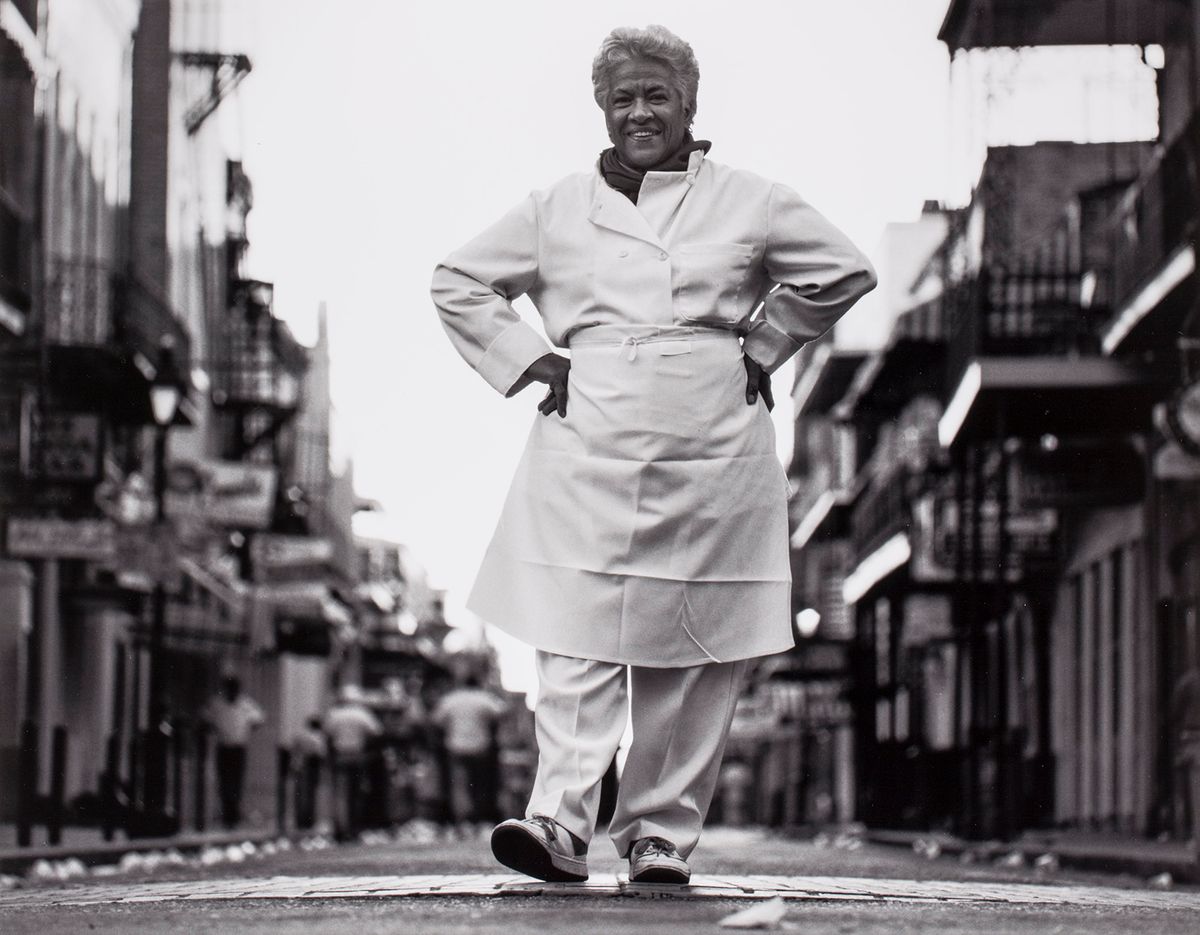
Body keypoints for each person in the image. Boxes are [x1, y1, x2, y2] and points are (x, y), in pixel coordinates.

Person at [431, 24, 875, 885]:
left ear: (689, 104)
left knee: (696, 644)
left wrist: (766, 341)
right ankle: (559, 823)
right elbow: (457, 280)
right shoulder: (555, 208)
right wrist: (531, 360)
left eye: (656, 95)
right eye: (623, 97)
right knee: (574, 631)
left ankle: (658, 833)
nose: (640, 112)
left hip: (713, 444)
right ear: (601, 108)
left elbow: (842, 270)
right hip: (586, 440)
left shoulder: (752, 199)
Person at [431, 674, 508, 825]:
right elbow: (502, 712)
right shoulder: (483, 698)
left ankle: (462, 819)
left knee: (459, 785)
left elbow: (436, 720)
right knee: (480, 784)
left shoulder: (451, 699)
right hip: (480, 747)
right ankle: (479, 819)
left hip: (456, 747)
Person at [202, 674, 264, 829]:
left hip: (238, 747)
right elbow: (206, 718)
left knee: (236, 781)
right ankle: (226, 813)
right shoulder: (217, 703)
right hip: (223, 746)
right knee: (224, 781)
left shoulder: (245, 704)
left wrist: (246, 729)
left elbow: (259, 718)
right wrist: (217, 728)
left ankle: (234, 814)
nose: (232, 692)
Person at [323, 684, 383, 841]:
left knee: (340, 793)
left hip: (340, 755)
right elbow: (376, 732)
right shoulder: (362, 714)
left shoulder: (334, 714)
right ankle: (354, 828)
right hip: (357, 755)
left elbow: (327, 735)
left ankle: (341, 828)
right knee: (356, 793)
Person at [291, 715, 327, 830]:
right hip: (311, 767)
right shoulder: (317, 737)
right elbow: (321, 753)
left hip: (298, 766)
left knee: (299, 794)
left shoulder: (300, 735)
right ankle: (308, 821)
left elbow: (293, 750)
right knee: (310, 795)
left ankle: (299, 821)